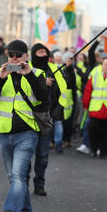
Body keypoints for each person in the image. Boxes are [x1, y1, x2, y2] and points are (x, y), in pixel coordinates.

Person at [0, 40, 49, 212]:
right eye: (11, 55)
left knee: (19, 174)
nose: (14, 59)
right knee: (14, 178)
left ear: (26, 57)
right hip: (4, 132)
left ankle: (10, 211)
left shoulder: (37, 73)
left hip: (27, 133)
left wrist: (28, 75)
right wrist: (1, 78)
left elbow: (43, 96)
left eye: (18, 55)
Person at [28, 43, 72, 196]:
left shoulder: (54, 69)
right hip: (27, 118)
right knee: (26, 154)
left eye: (45, 52)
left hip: (45, 117)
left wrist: (69, 69)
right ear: (34, 55)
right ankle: (23, 183)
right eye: (40, 52)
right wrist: (42, 81)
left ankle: (39, 184)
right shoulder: (27, 69)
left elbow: (67, 88)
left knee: (43, 155)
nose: (43, 55)